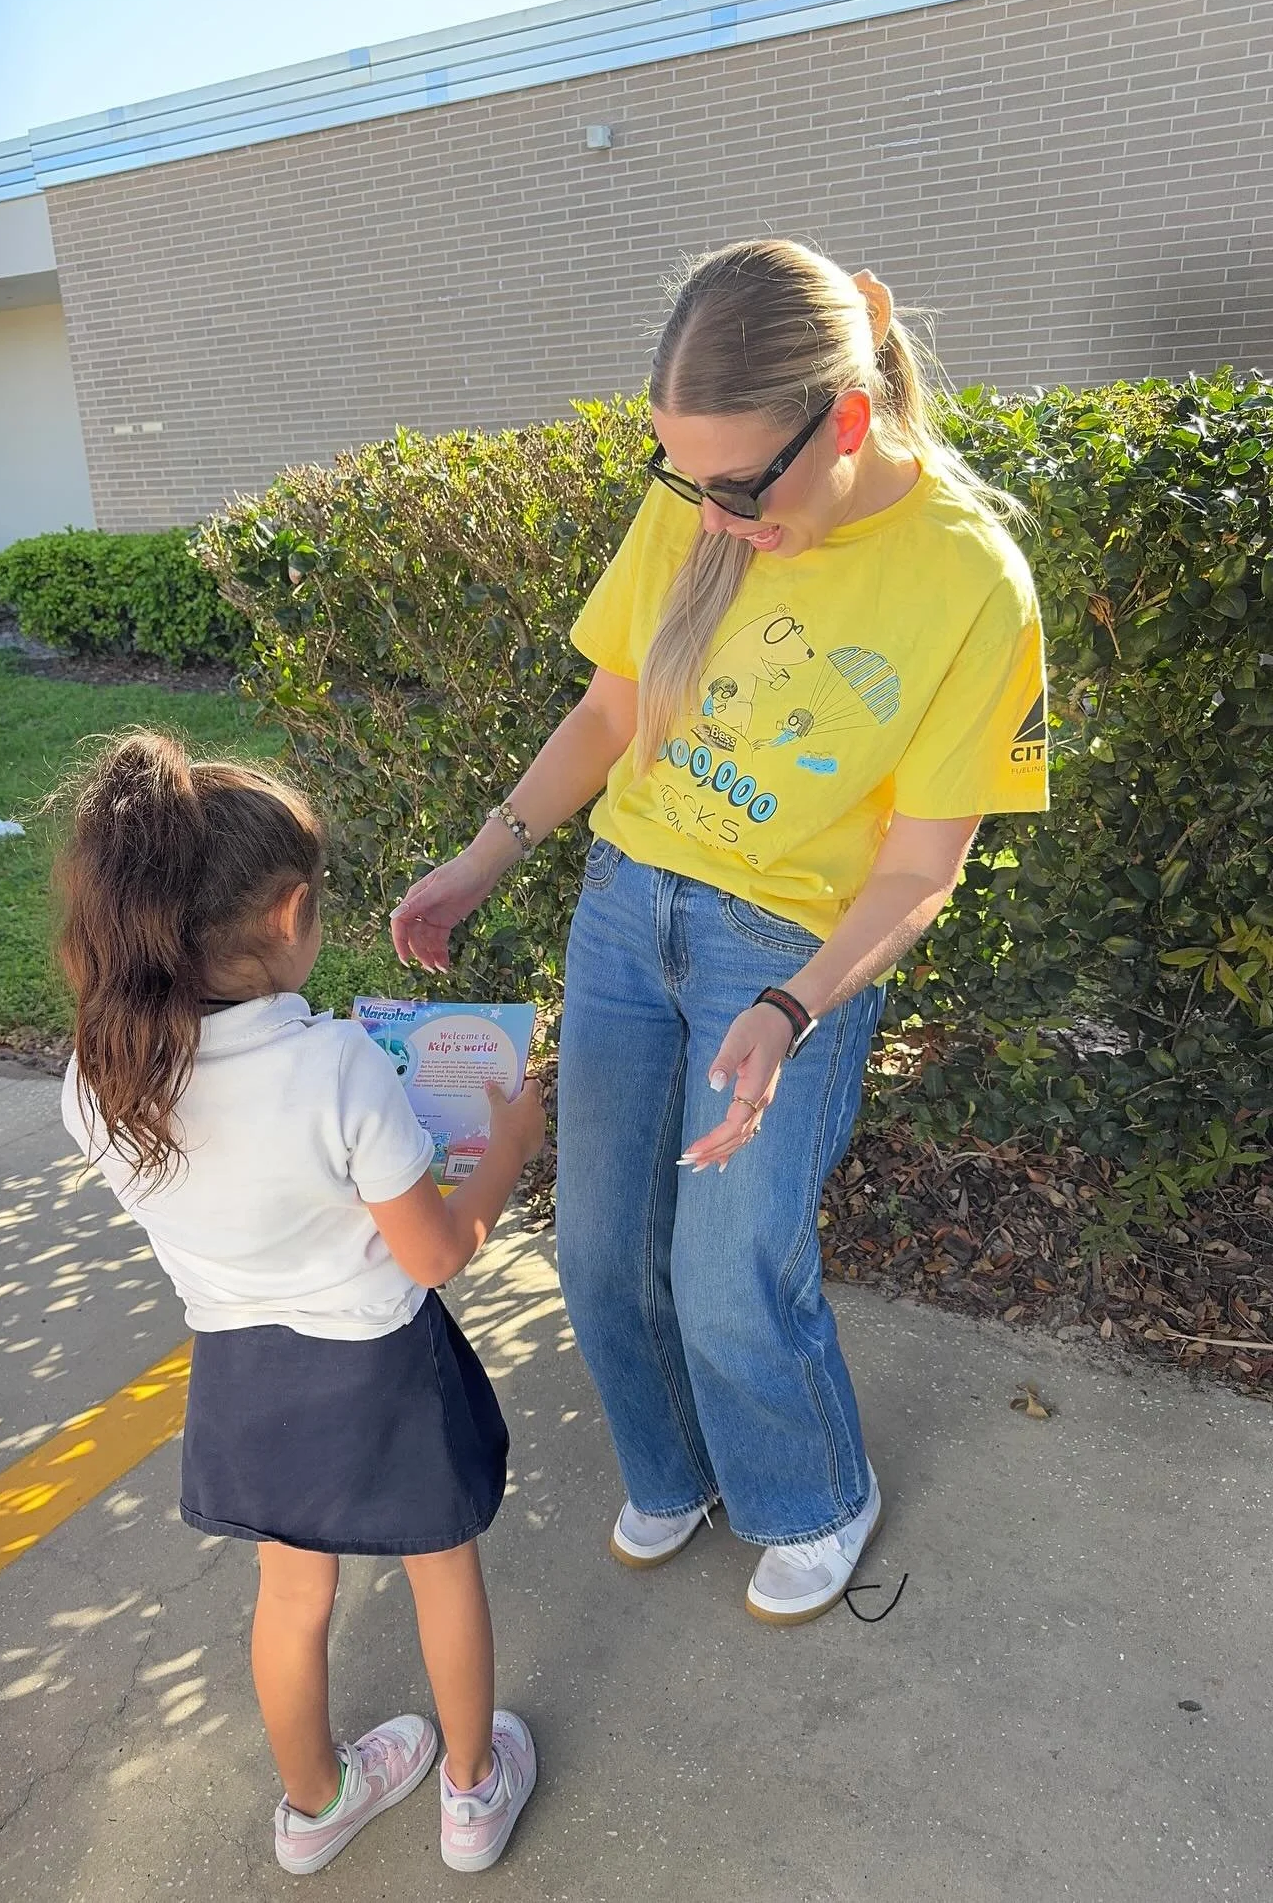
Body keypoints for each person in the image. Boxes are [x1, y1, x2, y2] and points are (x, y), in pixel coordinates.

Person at [391, 240, 1048, 1627]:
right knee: (596, 1247)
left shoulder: (972, 585)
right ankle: (674, 1469)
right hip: (628, 913)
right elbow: (608, 716)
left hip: (788, 954)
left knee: (729, 1272)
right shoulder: (705, 501)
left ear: (849, 422)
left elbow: (924, 866)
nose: (715, 515)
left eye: (743, 487)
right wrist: (477, 861)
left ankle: (814, 1491)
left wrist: (798, 1005)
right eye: (686, 480)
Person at [53, 731, 545, 1874]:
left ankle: (315, 1802)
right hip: (377, 1364)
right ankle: (471, 1794)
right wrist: (509, 1146)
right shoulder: (338, 1069)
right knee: (443, 1567)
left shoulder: (98, 1074)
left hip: (241, 1371)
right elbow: (435, 1253)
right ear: (288, 914)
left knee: (290, 1591)